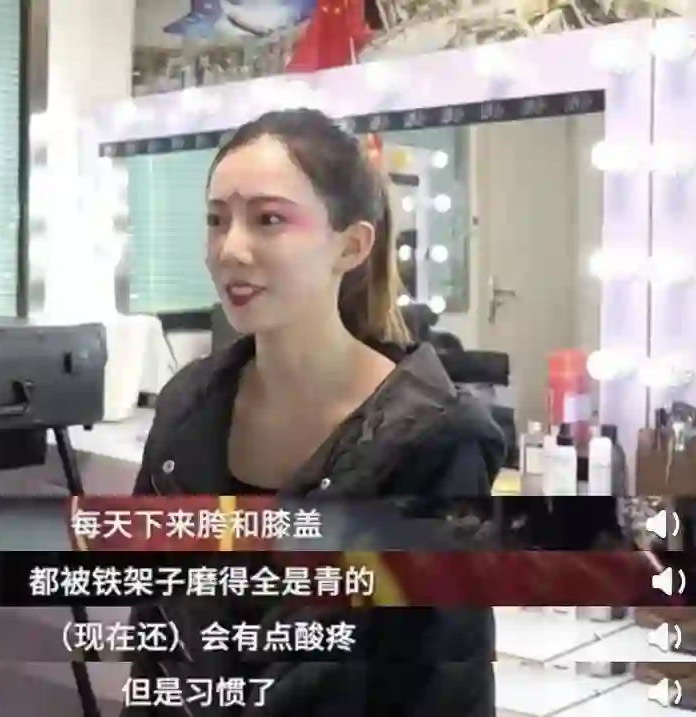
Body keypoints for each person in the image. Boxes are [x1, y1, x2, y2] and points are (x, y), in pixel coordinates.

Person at [120, 108, 505, 717]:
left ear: (350, 246)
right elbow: (154, 646)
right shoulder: (186, 411)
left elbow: (446, 692)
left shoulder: (431, 444)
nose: (230, 249)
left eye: (269, 219)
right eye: (216, 220)